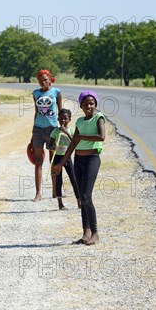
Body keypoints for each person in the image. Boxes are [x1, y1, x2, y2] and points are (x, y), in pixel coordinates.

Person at [52, 90, 105, 246]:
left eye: (92, 103)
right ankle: (85, 233)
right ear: (81, 105)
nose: (89, 106)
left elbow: (101, 137)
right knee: (82, 198)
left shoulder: (98, 118)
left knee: (87, 196)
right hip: (79, 159)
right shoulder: (80, 122)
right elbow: (73, 144)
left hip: (92, 159)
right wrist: (60, 164)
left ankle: (95, 233)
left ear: (95, 104)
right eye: (86, 103)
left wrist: (81, 136)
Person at [31, 69, 62, 202]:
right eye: (40, 81)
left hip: (52, 129)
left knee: (53, 160)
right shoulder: (36, 93)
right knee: (38, 162)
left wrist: (62, 128)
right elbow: (36, 111)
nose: (43, 83)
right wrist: (32, 133)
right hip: (38, 128)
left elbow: (60, 112)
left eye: (45, 80)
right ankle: (38, 193)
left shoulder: (56, 92)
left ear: (50, 79)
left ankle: (55, 190)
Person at [50, 109, 81, 210]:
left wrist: (66, 132)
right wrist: (53, 146)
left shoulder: (72, 130)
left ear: (70, 119)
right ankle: (60, 204)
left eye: (66, 118)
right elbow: (49, 145)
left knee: (74, 179)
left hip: (67, 158)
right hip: (57, 158)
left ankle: (79, 202)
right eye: (61, 118)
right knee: (58, 180)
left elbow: (74, 142)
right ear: (58, 119)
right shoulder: (55, 131)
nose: (63, 120)